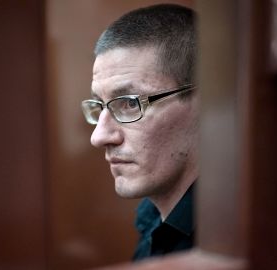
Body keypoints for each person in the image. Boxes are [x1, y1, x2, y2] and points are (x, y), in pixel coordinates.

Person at [81, 4, 199, 261]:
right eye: (99, 106)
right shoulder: (151, 219)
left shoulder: (233, 238)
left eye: (130, 103)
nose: (99, 137)